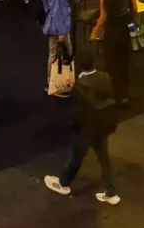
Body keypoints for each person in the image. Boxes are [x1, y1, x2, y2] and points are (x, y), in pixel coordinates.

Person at [44, 59, 121, 204]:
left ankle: (63, 184)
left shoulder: (80, 86)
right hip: (103, 125)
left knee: (76, 157)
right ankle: (111, 192)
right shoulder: (105, 77)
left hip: (86, 129)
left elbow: (77, 112)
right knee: (104, 159)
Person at [91, 0, 136, 105]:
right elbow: (134, 9)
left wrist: (94, 31)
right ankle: (124, 95)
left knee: (111, 64)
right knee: (124, 63)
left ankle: (112, 95)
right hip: (125, 31)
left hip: (111, 32)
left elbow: (103, 17)